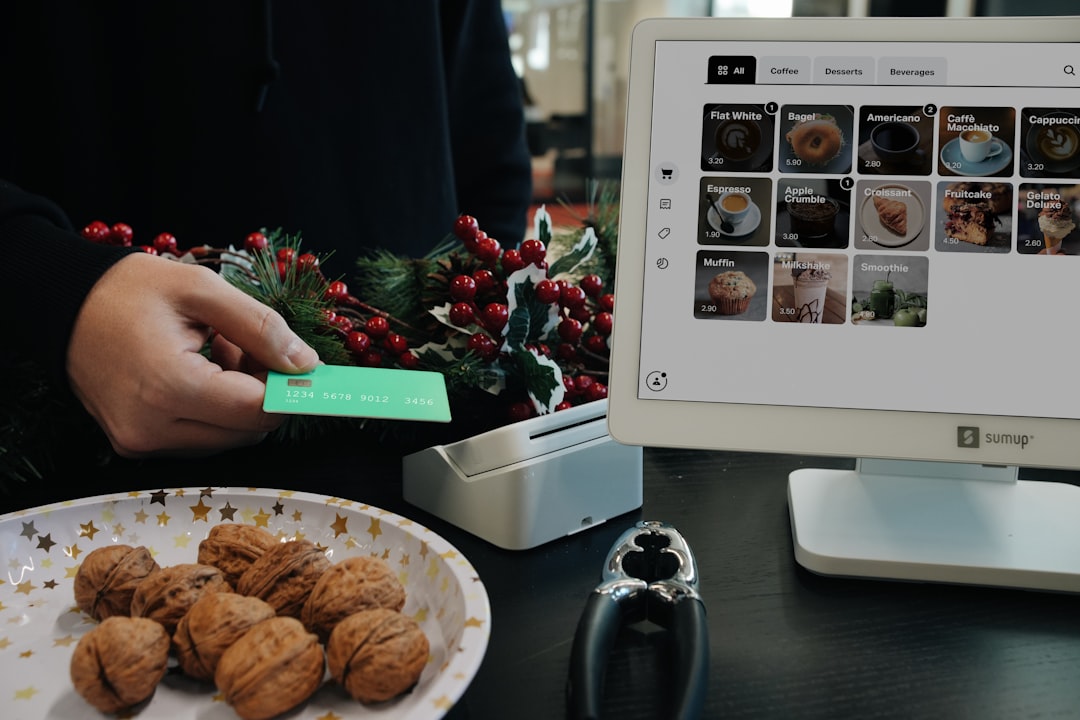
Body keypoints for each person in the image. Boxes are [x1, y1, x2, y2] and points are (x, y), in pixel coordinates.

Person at [0, 1, 532, 459]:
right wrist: (59, 288)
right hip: (71, 460)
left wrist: (485, 330)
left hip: (430, 450)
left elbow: (489, 146)